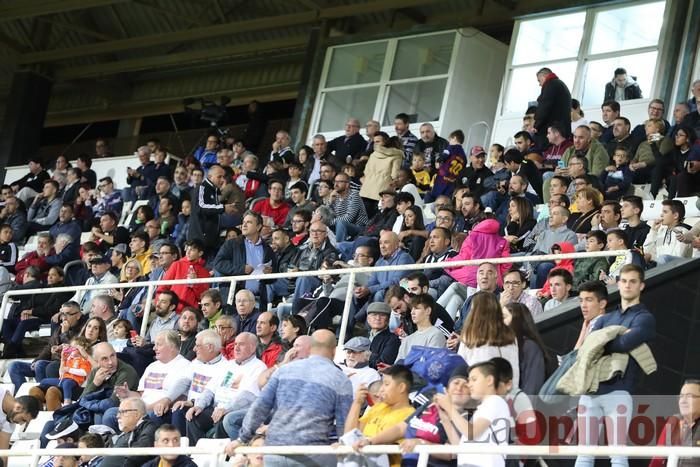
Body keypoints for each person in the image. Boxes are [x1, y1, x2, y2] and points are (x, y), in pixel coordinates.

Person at [225, 330, 353, 466]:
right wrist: (343, 445)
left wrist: (241, 439)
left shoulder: (284, 370)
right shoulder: (341, 379)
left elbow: (260, 406)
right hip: (311, 453)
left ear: (310, 348)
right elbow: (344, 423)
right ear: (334, 351)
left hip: (274, 450)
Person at [575, 264, 656, 467]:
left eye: (633, 281)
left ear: (641, 286)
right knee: (584, 455)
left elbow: (623, 344)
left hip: (619, 390)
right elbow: (588, 348)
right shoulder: (607, 318)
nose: (627, 285)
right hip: (591, 389)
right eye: (624, 281)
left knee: (618, 456)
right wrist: (614, 337)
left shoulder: (644, 318)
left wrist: (604, 341)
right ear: (618, 284)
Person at [185, 332, 266, 445]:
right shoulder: (228, 364)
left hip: (234, 411)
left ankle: (218, 458)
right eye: (235, 344)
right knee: (194, 416)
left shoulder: (259, 367)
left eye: (241, 344)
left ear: (252, 348)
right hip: (217, 408)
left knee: (223, 420)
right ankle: (196, 455)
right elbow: (210, 389)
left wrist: (225, 409)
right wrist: (199, 405)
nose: (236, 347)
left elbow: (247, 397)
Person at [434, 361, 510, 467]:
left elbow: (472, 433)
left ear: (489, 380)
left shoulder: (495, 401)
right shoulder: (483, 408)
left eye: (474, 379)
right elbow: (459, 448)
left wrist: (450, 408)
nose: (469, 385)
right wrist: (446, 420)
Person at [344, 365, 415, 467]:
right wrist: (357, 403)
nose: (381, 389)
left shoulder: (410, 416)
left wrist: (367, 441)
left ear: (401, 387)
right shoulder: (378, 408)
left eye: (386, 384)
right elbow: (349, 435)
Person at [457, 292, 519, 388]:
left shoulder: (470, 335)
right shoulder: (510, 334)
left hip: (481, 393)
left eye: (473, 309)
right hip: (509, 391)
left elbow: (460, 367)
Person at [649, 379, 700, 467]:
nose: (683, 401)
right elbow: (656, 461)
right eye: (681, 396)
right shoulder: (673, 422)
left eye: (689, 396)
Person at [503, 302, 550, 394]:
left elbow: (533, 384)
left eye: (504, 317)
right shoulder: (506, 345)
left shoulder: (530, 347)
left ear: (516, 320)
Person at [101, 398, 157, 467]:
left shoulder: (149, 429)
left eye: (123, 412)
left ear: (136, 414)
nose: (117, 416)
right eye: (118, 412)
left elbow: (138, 455)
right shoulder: (127, 432)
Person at [395, 295, 447, 362]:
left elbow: (432, 364)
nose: (412, 312)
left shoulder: (436, 334)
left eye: (416, 308)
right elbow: (397, 366)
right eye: (412, 309)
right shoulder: (407, 340)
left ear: (428, 311)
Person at [643, 199, 693, 265]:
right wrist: (653, 231)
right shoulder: (662, 231)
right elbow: (647, 250)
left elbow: (678, 256)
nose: (661, 215)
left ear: (675, 216)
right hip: (660, 267)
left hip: (678, 269)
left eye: (665, 212)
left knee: (664, 258)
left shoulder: (683, 232)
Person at [533, 67, 572, 150]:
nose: (539, 84)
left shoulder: (550, 84)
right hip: (563, 127)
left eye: (539, 81)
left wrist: (536, 125)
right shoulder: (560, 84)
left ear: (543, 77)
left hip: (551, 127)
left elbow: (545, 106)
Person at [365, 302, 400, 370]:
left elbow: (382, 364)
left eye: (382, 315)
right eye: (374, 315)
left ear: (388, 320)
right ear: (368, 319)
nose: (378, 318)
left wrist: (366, 355)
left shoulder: (393, 339)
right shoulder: (364, 337)